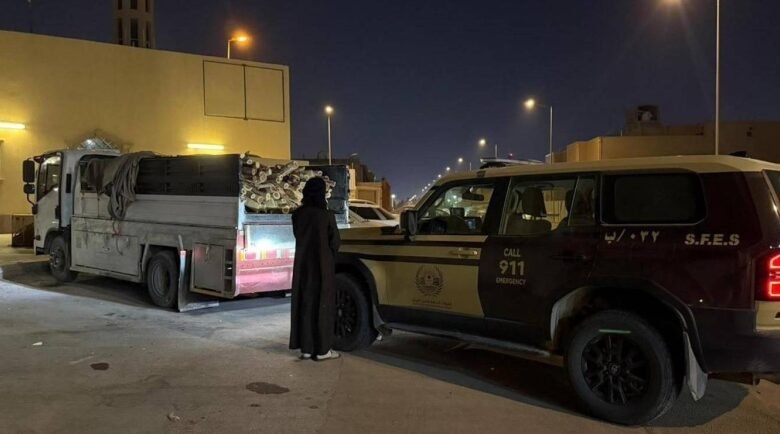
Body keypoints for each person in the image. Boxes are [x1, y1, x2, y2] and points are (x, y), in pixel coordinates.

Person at [289, 177, 341, 361]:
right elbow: (335, 242)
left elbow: (298, 236)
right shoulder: (326, 216)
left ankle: (306, 348)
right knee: (323, 305)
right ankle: (322, 350)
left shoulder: (297, 215)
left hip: (303, 265)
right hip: (322, 265)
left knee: (306, 303)